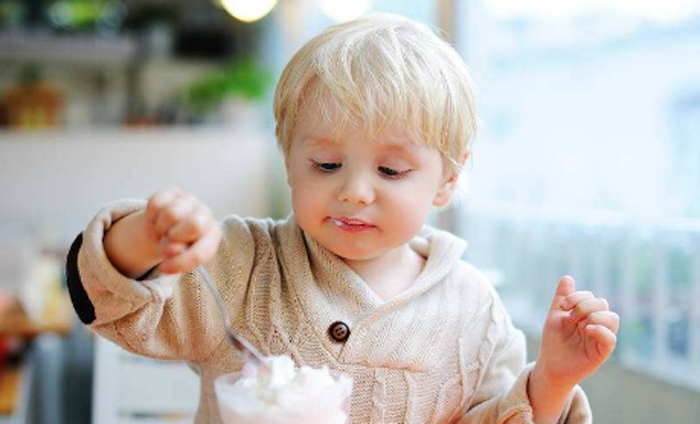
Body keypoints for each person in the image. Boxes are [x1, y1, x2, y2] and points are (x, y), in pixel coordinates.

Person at [66, 13, 618, 424]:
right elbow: (118, 307)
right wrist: (145, 238)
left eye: (391, 170)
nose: (354, 192)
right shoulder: (243, 265)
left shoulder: (475, 315)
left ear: (448, 178)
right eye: (327, 164)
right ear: (289, 159)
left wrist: (551, 381)